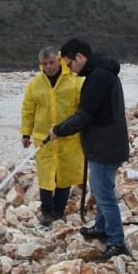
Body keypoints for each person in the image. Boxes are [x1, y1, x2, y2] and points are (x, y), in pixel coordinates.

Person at [49, 38, 130, 262]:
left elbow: (84, 115)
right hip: (105, 143)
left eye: (70, 64)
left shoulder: (99, 77)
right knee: (99, 188)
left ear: (80, 58)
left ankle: (116, 243)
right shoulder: (101, 73)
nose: (71, 70)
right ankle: (102, 227)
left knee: (104, 195)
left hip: (105, 146)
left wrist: (58, 130)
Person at [20, 46, 85, 226]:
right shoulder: (35, 84)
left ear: (59, 60)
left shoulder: (74, 81)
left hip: (68, 138)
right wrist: (26, 133)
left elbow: (83, 108)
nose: (48, 67)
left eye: (52, 62)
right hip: (44, 139)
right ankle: (47, 213)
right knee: (46, 176)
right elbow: (28, 110)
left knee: (64, 176)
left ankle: (60, 212)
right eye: (44, 63)